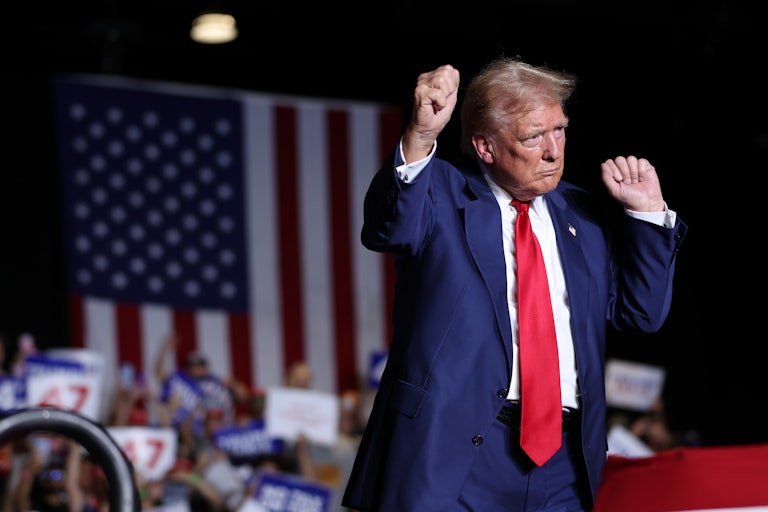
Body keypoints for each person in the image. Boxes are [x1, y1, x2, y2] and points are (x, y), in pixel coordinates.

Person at [341, 57, 688, 511]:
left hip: (566, 463)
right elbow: (388, 228)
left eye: (559, 130)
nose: (553, 151)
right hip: (456, 456)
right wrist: (422, 135)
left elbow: (641, 313)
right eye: (532, 137)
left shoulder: (582, 214)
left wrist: (646, 213)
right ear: (485, 147)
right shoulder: (441, 194)